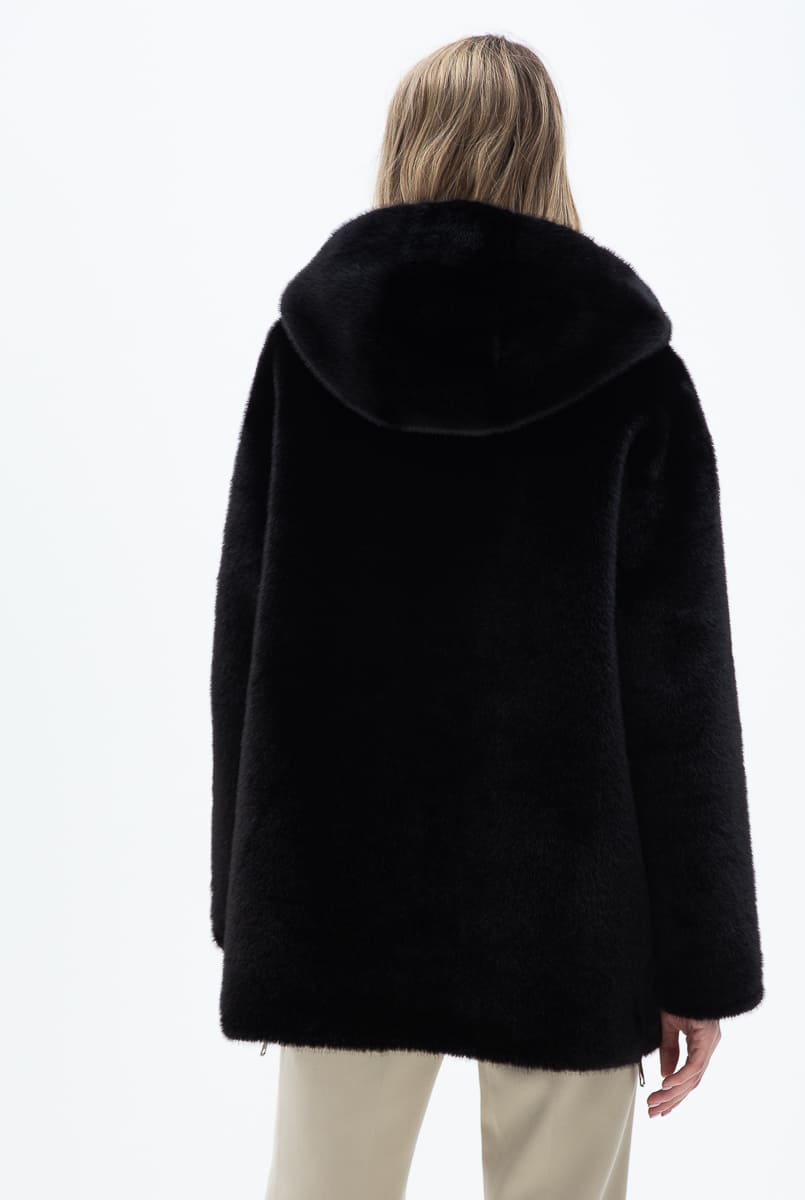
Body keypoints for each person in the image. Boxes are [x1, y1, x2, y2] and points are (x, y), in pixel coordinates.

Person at [209, 32, 765, 1200]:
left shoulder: (305, 356)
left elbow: (245, 647)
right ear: (545, 151)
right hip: (574, 904)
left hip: (335, 891)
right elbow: (682, 688)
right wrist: (700, 959)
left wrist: (243, 900)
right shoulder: (634, 378)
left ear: (406, 141)